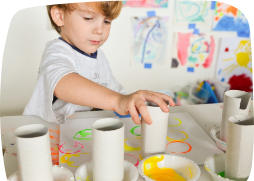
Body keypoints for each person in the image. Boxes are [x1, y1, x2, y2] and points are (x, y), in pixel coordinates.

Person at [23, 1, 175, 125]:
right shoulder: (57, 51)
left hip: (82, 132)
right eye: (89, 18)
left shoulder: (98, 56)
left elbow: (113, 90)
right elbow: (60, 81)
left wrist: (133, 102)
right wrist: (119, 101)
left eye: (107, 21)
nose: (100, 30)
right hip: (50, 136)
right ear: (59, 16)